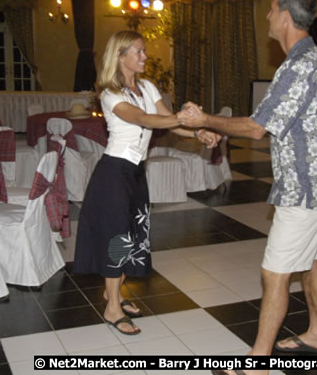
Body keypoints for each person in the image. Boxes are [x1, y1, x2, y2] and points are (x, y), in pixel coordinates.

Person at [180, 0, 317, 375]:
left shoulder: (300, 65)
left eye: (271, 9)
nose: (267, 16)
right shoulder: (306, 59)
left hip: (304, 189)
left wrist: (204, 120)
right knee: (310, 259)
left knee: (274, 273)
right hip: (315, 186)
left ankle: (258, 363)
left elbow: (255, 129)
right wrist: (217, 127)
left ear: (286, 16)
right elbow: (267, 123)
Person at [73, 30, 219, 336]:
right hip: (113, 174)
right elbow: (143, 119)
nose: (144, 56)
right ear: (120, 56)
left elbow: (168, 121)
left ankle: (113, 292)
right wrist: (185, 117)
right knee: (115, 238)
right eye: (138, 51)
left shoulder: (148, 87)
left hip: (137, 172)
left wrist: (198, 132)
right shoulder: (110, 94)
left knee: (131, 235)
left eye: (143, 51)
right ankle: (112, 307)